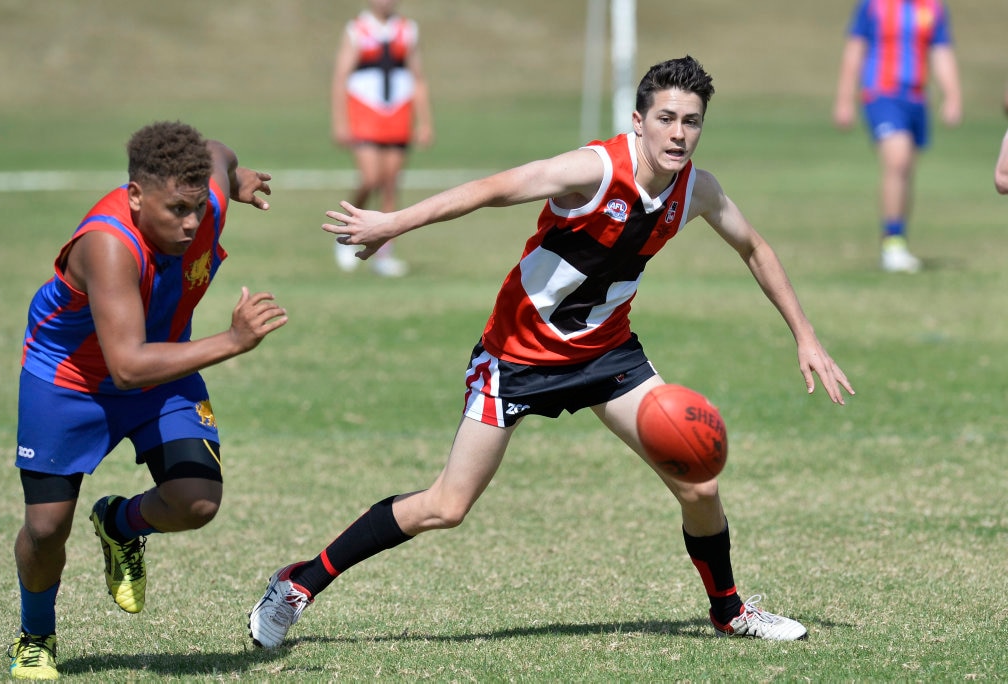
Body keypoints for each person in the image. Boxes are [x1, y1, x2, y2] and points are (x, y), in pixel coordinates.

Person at [249, 55, 854, 650]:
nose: (679, 133)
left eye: (692, 121)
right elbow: (494, 189)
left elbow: (754, 247)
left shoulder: (697, 189)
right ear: (638, 120)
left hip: (607, 355)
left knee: (698, 482)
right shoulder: (593, 170)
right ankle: (297, 584)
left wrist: (805, 334)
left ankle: (729, 611)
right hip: (516, 357)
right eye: (666, 118)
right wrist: (394, 223)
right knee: (447, 505)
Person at [9, 121, 287, 680]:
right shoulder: (108, 245)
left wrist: (235, 179)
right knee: (45, 531)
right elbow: (126, 367)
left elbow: (219, 151)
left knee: (196, 501)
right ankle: (35, 636)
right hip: (69, 381)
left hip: (158, 363)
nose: (190, 224)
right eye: (175, 210)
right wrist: (232, 341)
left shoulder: (203, 198)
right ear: (135, 196)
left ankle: (120, 524)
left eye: (196, 208)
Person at [833, 0, 961, 273]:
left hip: (916, 99)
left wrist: (952, 95)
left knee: (906, 170)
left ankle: (898, 239)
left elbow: (941, 51)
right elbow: (855, 50)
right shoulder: (874, 5)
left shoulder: (933, 7)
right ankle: (892, 244)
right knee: (897, 160)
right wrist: (844, 99)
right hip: (881, 94)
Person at [330, 0, 434, 278]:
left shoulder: (408, 30)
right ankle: (346, 235)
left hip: (398, 112)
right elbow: (341, 78)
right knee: (370, 178)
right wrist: (340, 123)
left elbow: (418, 77)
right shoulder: (357, 30)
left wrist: (425, 122)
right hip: (364, 112)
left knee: (390, 185)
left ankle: (384, 253)